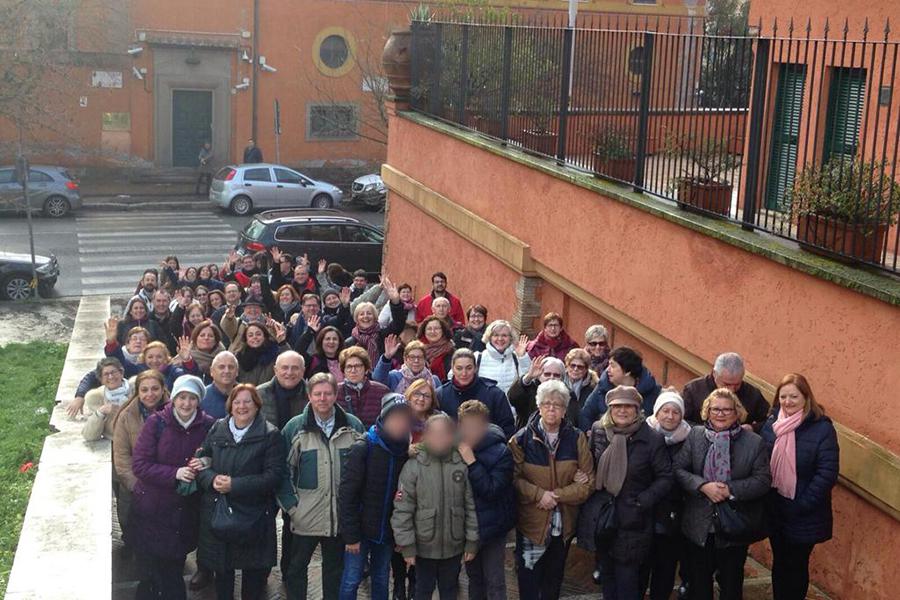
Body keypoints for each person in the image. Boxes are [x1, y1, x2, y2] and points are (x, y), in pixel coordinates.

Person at [674, 388, 771, 600]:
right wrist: (702, 486)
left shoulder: (754, 443)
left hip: (734, 525)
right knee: (699, 584)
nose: (721, 414)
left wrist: (730, 489)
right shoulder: (696, 436)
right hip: (699, 524)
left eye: (727, 409)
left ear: (737, 413)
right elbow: (679, 469)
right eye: (715, 409)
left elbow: (763, 481)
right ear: (707, 412)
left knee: (731, 584)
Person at [577, 386, 673, 600]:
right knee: (607, 574)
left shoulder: (651, 438)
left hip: (633, 519)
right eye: (617, 406)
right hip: (603, 516)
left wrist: (642, 501)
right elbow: (589, 464)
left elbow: (665, 477)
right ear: (609, 409)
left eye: (628, 406)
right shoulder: (599, 430)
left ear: (637, 409)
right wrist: (582, 477)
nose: (622, 410)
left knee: (627, 578)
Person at [277, 373, 365, 600]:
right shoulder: (294, 428)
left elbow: (363, 471)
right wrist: (292, 507)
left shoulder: (353, 426)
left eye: (328, 393)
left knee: (334, 571)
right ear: (309, 396)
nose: (323, 398)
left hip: (338, 517)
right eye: (318, 394)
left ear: (336, 395)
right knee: (296, 569)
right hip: (305, 517)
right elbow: (282, 472)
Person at [195, 384, 285, 600]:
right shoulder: (218, 428)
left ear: (257, 405)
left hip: (254, 516)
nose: (242, 406)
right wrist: (212, 480)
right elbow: (200, 463)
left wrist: (234, 485)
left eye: (248, 401)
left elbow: (273, 476)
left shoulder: (270, 434)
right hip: (220, 513)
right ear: (230, 405)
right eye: (237, 401)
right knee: (223, 577)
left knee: (253, 581)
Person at [129, 375, 214, 600]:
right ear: (173, 399)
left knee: (174, 569)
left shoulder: (208, 425)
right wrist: (175, 473)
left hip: (184, 511)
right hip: (152, 509)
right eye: (182, 397)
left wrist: (206, 463)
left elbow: (217, 456)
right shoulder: (156, 423)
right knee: (151, 571)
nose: (186, 404)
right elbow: (139, 465)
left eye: (192, 398)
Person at [510, 379, 593, 600]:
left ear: (565, 409)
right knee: (528, 581)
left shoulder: (577, 438)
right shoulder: (521, 439)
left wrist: (555, 495)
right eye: (546, 403)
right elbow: (513, 479)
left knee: (553, 581)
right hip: (531, 524)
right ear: (538, 406)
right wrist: (539, 495)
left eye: (557, 405)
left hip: (563, 525)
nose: (551, 409)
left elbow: (587, 484)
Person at [760, 374, 839, 600]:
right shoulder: (772, 423)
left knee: (796, 565)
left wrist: (801, 505)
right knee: (780, 562)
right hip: (775, 508)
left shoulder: (822, 428)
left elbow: (827, 474)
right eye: (783, 396)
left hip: (804, 511)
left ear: (806, 397)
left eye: (794, 396)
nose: (788, 401)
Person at [391, 413, 479, 600]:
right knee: (423, 590)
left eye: (444, 433)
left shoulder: (460, 465)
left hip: (453, 546)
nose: (439, 438)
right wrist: (407, 545)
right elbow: (403, 509)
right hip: (424, 547)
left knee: (449, 590)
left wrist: (472, 541)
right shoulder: (413, 466)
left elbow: (470, 506)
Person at [339, 393, 413, 600]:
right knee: (351, 579)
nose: (399, 423)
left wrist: (401, 535)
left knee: (381, 578)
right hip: (361, 530)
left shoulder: (406, 452)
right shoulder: (364, 447)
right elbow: (347, 495)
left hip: (387, 532)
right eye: (395, 418)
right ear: (384, 417)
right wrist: (351, 535)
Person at [457, 400, 516, 600]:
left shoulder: (502, 452)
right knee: (474, 578)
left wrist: (471, 462)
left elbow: (491, 490)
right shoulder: (454, 448)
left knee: (494, 580)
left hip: (493, 527)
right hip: (468, 527)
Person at [639, 390, 692, 600]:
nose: (670, 416)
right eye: (665, 411)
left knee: (665, 568)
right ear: (656, 412)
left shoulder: (691, 438)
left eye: (675, 412)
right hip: (643, 510)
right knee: (640, 567)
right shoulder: (643, 434)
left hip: (674, 514)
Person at [112, 370, 169, 551]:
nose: (150, 394)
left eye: (155, 389)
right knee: (135, 531)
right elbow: (121, 457)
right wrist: (137, 486)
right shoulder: (126, 416)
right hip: (137, 484)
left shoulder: (175, 411)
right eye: (144, 390)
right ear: (138, 391)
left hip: (166, 483)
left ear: (163, 390)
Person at [436, 349, 516, 439]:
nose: (464, 373)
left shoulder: (494, 394)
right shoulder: (441, 394)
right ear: (452, 369)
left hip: (488, 448)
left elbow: (507, 429)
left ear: (475, 368)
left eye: (469, 368)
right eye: (459, 368)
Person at [579, 346, 662, 431]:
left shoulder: (653, 392)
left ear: (627, 371)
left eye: (613, 366)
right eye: (608, 365)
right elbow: (586, 414)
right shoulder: (602, 387)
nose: (608, 370)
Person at [682, 352, 770, 431]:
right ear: (714, 373)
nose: (731, 390)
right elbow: (681, 420)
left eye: (737, 384)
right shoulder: (692, 390)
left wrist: (753, 428)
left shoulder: (753, 394)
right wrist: (704, 431)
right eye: (727, 384)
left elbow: (769, 421)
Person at [337, 346, 390, 429]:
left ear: (366, 369)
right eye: (349, 367)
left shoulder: (382, 391)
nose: (353, 370)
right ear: (343, 370)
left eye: (357, 366)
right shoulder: (335, 392)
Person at [507, 356, 566, 430]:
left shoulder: (568, 394)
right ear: (539, 375)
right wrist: (528, 377)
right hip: (529, 437)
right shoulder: (529, 389)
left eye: (556, 375)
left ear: (562, 378)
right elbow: (513, 398)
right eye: (547, 374)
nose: (551, 378)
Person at [474, 320, 531, 395]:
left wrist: (522, 358)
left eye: (504, 335)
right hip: (485, 406)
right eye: (496, 335)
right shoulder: (477, 357)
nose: (500, 339)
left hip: (510, 406)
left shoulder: (517, 357)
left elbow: (527, 381)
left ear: (511, 338)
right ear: (489, 337)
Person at [82, 358, 130, 441]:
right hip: (114, 443)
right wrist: (101, 412)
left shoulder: (136, 388)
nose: (111, 377)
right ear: (101, 379)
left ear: (121, 373)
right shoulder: (96, 397)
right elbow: (89, 436)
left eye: (113, 372)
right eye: (106, 374)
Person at [257, 351, 307, 430]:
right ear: (275, 370)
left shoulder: (313, 395)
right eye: (285, 368)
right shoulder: (258, 394)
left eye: (295, 368)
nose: (289, 372)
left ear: (303, 371)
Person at [373, 336, 441, 393]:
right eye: (412, 357)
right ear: (405, 359)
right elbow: (378, 379)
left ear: (425, 359)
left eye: (420, 357)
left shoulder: (434, 380)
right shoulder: (395, 376)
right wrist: (387, 357)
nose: (416, 360)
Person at [233, 321, 289, 386]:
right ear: (246, 339)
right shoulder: (239, 356)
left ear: (264, 336)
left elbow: (289, 361)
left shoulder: (275, 353)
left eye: (258, 334)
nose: (255, 337)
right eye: (250, 335)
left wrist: (282, 343)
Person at [417, 316, 455, 382]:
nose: (433, 331)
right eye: (429, 329)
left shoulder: (451, 352)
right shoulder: (417, 350)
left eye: (436, 328)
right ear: (424, 331)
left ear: (443, 331)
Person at [564, 348, 598, 421]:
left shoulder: (594, 387)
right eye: (572, 365)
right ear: (567, 366)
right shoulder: (558, 383)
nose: (575, 369)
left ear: (586, 369)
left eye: (580, 367)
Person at [202, 351, 239, 419]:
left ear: (237, 371)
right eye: (221, 367)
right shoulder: (202, 397)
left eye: (231, 367)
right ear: (211, 371)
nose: (227, 371)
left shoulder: (247, 395)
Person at [405, 379, 440, 444]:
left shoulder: (439, 421)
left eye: (426, 396)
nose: (421, 399)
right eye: (417, 394)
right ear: (409, 396)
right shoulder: (401, 419)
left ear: (432, 400)